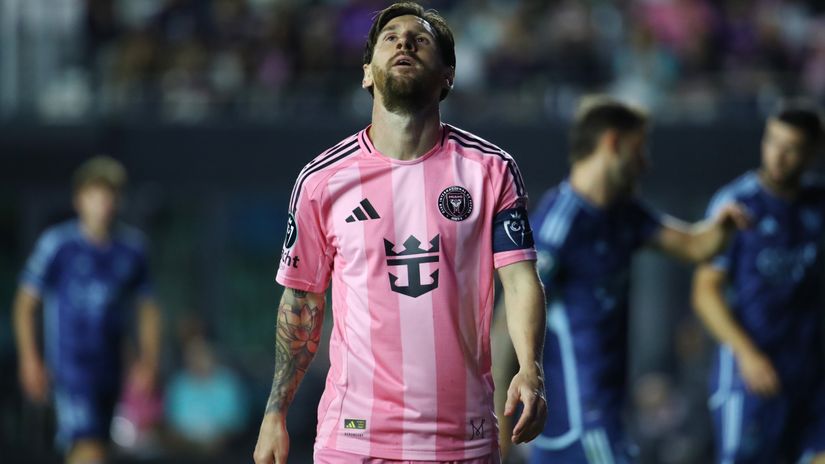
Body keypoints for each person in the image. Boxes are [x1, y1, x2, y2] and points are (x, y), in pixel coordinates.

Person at [253, 3, 547, 463]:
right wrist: (275, 414)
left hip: (462, 440)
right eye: (390, 38)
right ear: (367, 73)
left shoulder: (491, 170)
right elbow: (302, 303)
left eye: (421, 39)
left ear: (448, 76)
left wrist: (531, 370)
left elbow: (521, 279)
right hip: (353, 438)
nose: (405, 42)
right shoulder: (322, 181)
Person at [494, 97, 749, 464]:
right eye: (639, 148)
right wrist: (499, 428)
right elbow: (507, 323)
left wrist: (724, 223)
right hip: (582, 420)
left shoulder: (624, 215)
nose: (645, 163)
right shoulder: (561, 224)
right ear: (612, 143)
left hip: (606, 416)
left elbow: (694, 246)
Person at [692, 103, 825, 464]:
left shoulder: (818, 205)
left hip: (810, 372)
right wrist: (746, 353)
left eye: (791, 147)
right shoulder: (737, 205)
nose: (777, 156)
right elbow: (705, 291)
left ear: (813, 152)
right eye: (772, 141)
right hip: (749, 374)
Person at [13, 156, 162, 464]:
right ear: (79, 198)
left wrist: (148, 360)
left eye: (110, 195)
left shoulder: (132, 249)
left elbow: (148, 308)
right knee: (87, 446)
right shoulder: (57, 245)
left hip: (110, 370)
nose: (103, 203)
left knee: (97, 448)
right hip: (70, 369)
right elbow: (25, 304)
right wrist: (30, 359)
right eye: (96, 194)